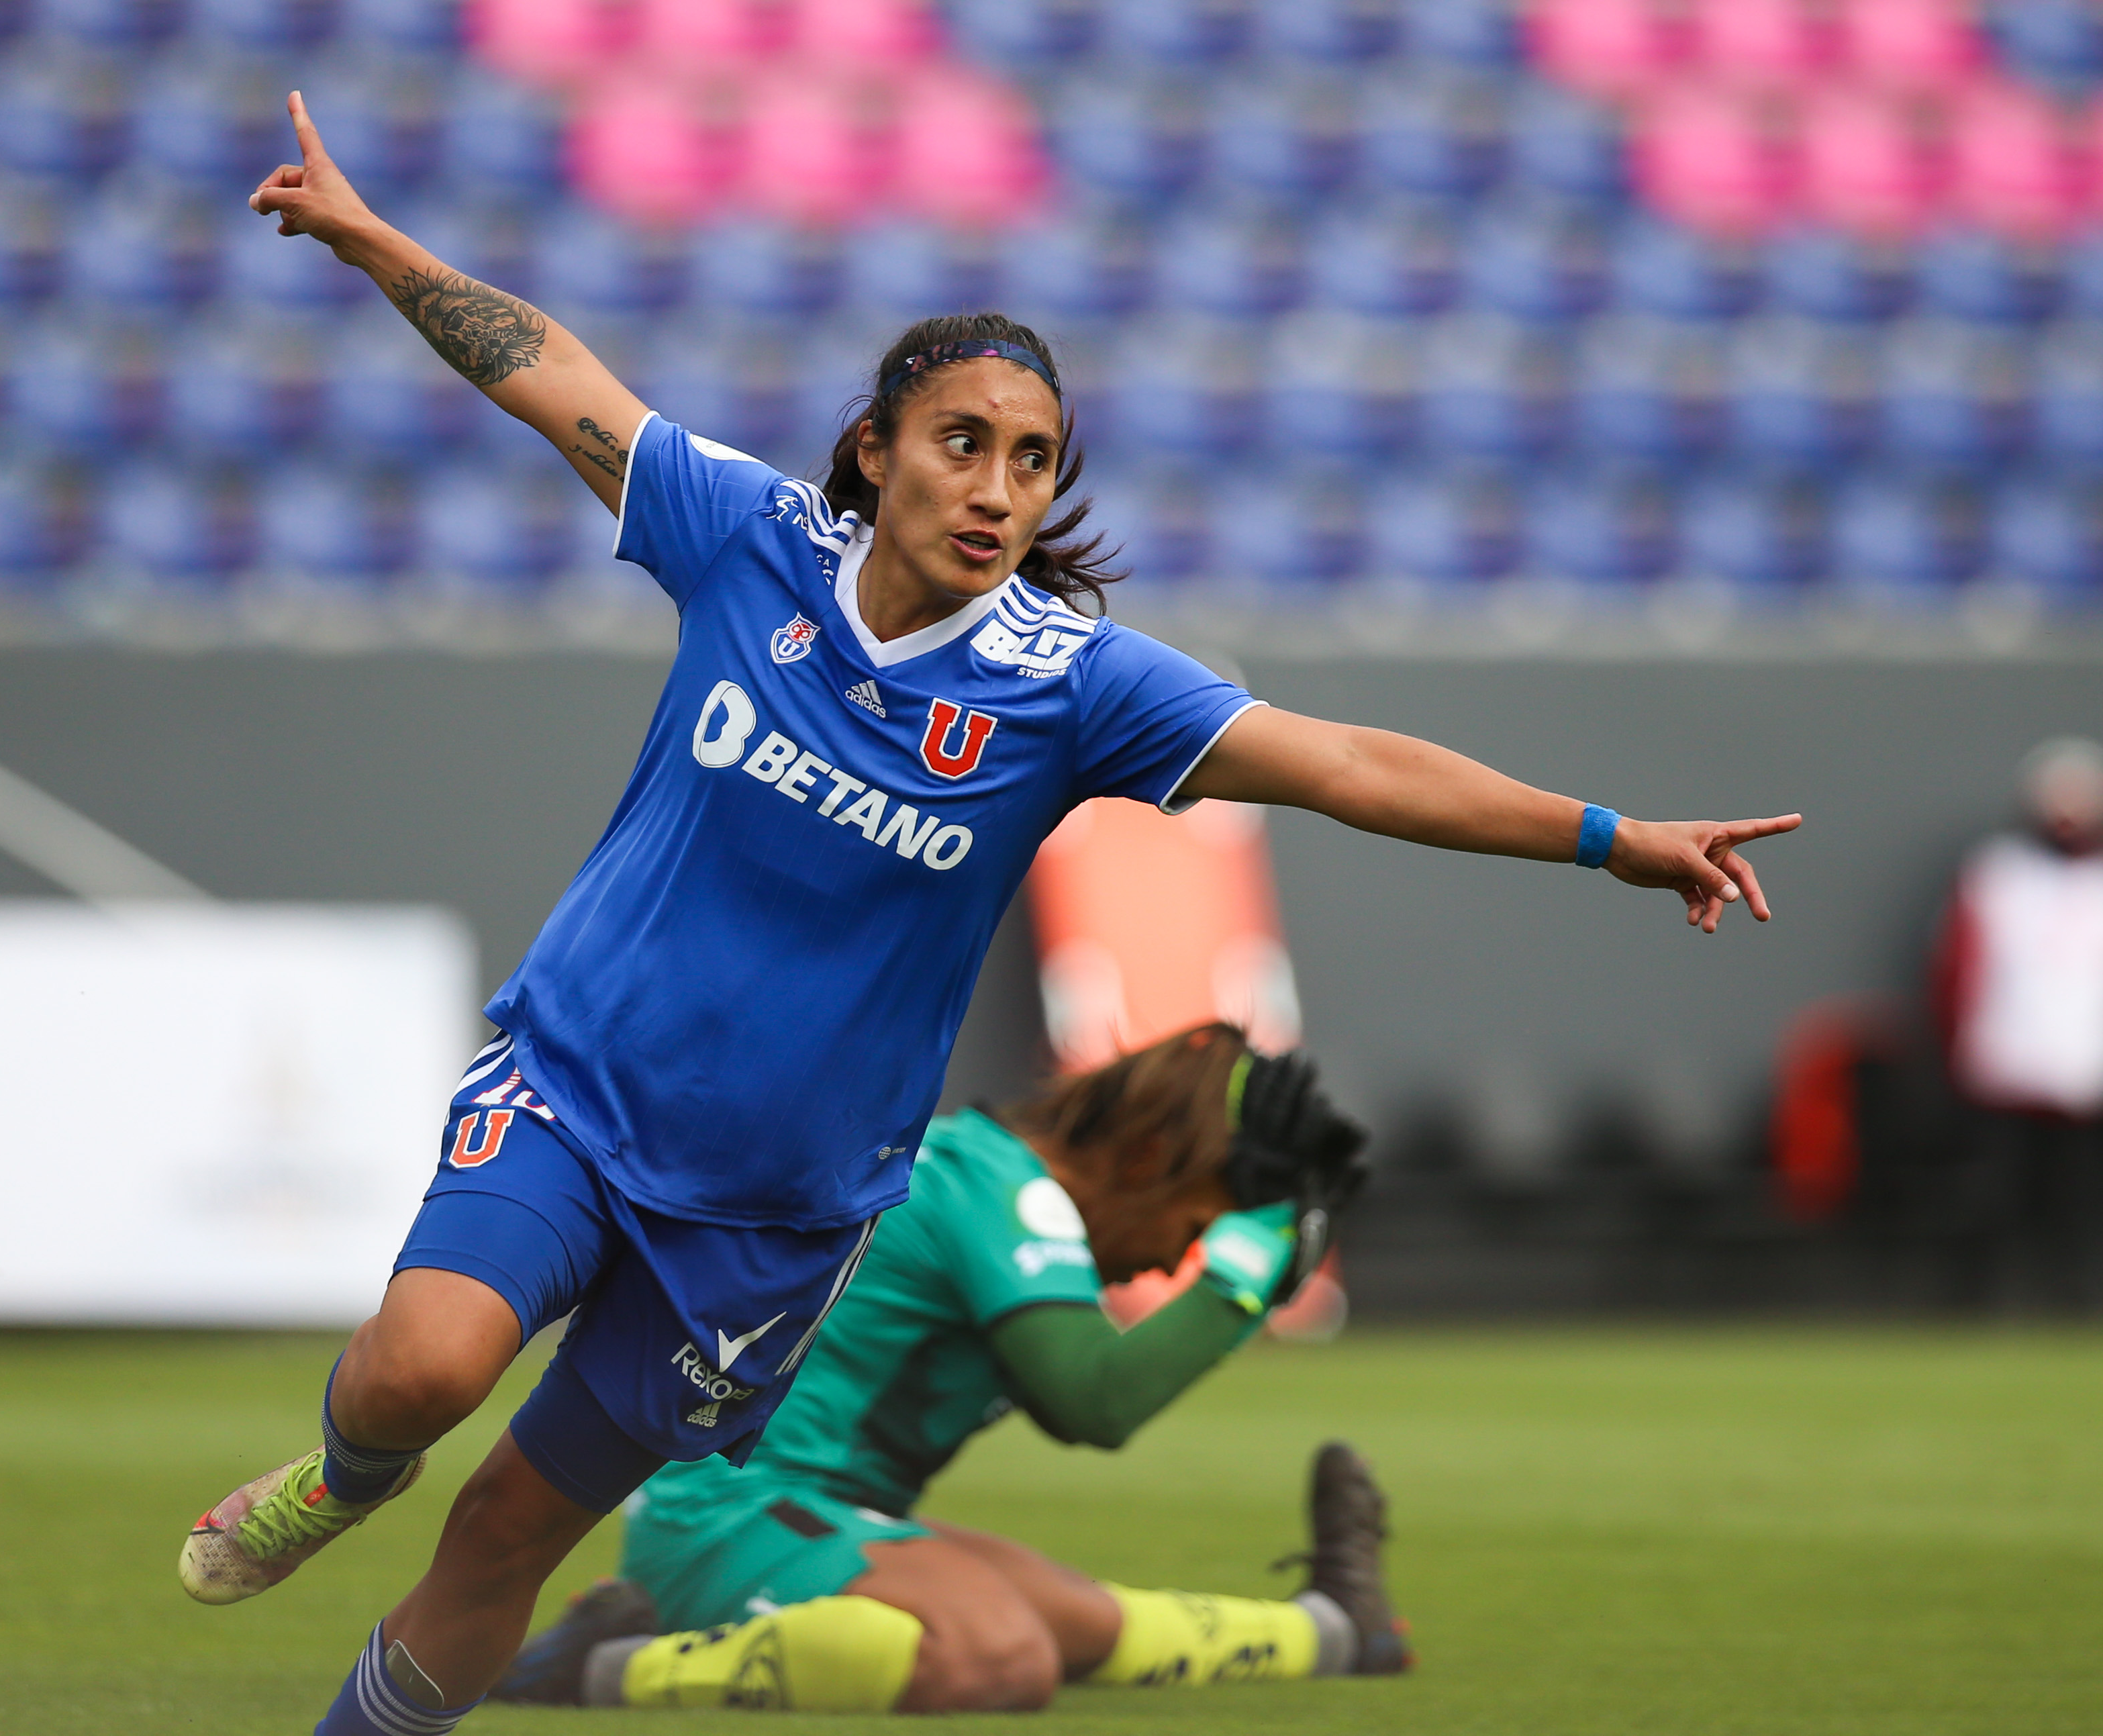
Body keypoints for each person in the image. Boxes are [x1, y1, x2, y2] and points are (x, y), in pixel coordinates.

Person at [181, 91, 1802, 1736]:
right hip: (581, 1090)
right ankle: (342, 1473)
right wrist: (377, 240)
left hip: (773, 1212)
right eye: (965, 442)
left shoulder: (1075, 685)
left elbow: (1348, 764)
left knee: (508, 1535)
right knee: (421, 1371)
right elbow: (551, 375)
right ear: (878, 448)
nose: (998, 487)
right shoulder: (746, 542)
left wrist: (1611, 837)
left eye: (1033, 463)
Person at [492, 1023, 1404, 1715]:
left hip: (824, 1513)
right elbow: (1092, 1400)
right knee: (997, 1653)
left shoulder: (992, 1177)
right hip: (725, 1513)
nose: (1174, 1263)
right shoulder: (1002, 1191)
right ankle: (607, 1662)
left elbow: (1074, 1402)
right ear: (1144, 1159)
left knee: (1082, 1621)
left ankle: (1335, 1627)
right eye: (1194, 1227)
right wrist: (1248, 1273)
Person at [1928, 736, 2103, 1310]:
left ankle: (2075, 1306)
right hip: (2005, 1072)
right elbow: (1955, 971)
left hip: (2085, 1076)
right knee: (1996, 1202)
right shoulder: (1996, 875)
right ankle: (1988, 1309)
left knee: (2079, 1205)